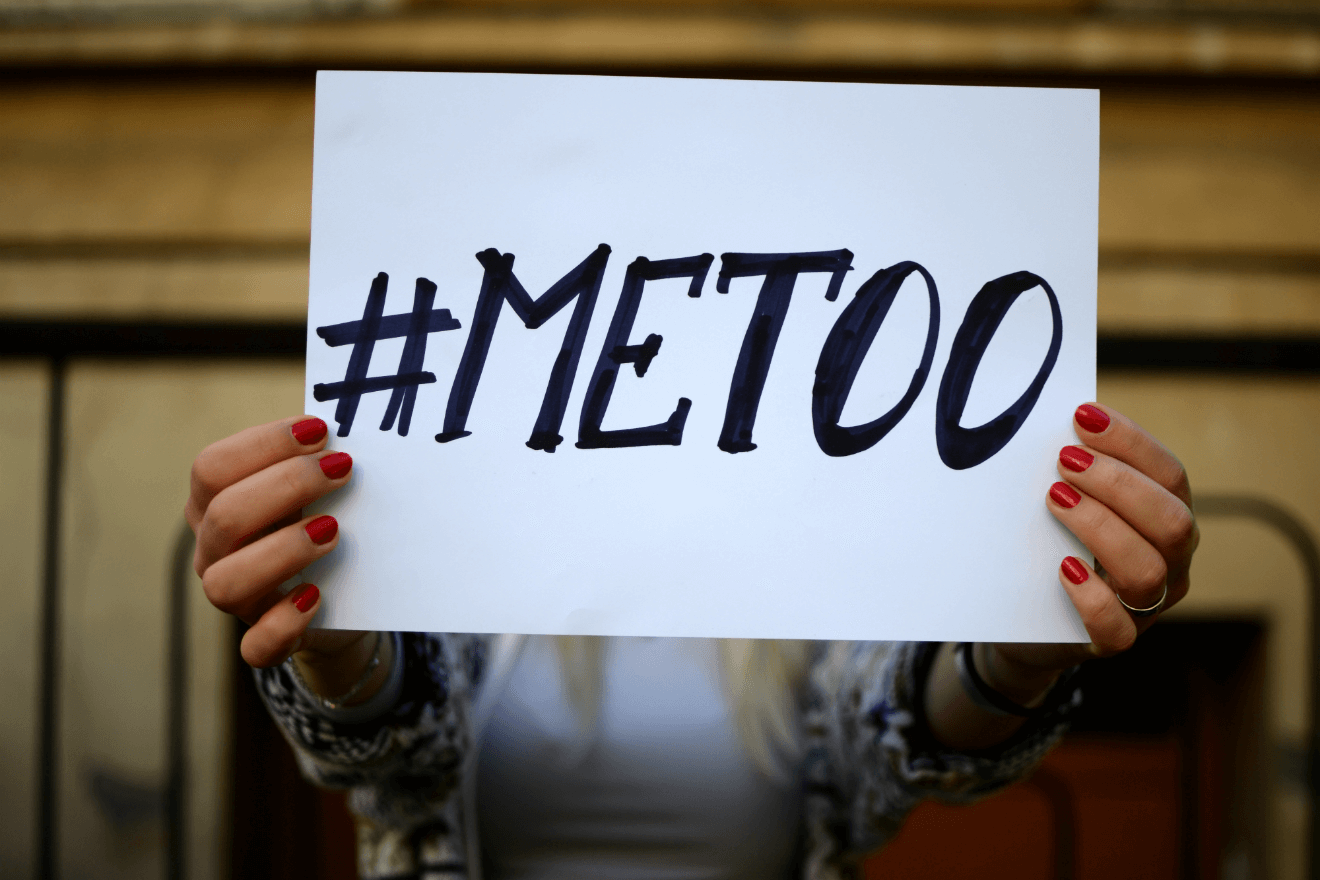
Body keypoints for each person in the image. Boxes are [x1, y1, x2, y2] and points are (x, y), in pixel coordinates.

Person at [186, 402, 1197, 880]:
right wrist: (336, 630)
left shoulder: (815, 596)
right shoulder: (469, 560)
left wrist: (1023, 633)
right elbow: (394, 741)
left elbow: (896, 735)